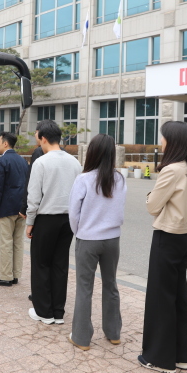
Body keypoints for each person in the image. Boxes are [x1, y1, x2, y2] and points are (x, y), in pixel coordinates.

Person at [139, 121, 187, 373]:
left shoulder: (171, 170)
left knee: (160, 299)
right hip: (184, 235)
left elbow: (153, 205)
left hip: (167, 234)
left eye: (162, 138)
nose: (160, 142)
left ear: (171, 141)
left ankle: (160, 359)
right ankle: (179, 356)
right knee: (177, 298)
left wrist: (149, 196)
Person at [67, 134, 126, 351]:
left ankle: (81, 338)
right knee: (111, 285)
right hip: (112, 239)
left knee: (85, 288)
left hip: (88, 239)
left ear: (92, 152)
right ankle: (114, 333)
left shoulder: (83, 179)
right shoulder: (119, 179)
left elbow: (73, 213)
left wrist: (80, 232)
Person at [26, 120, 82, 325]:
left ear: (43, 137)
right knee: (60, 265)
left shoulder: (41, 162)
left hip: (45, 219)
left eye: (38, 138)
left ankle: (43, 312)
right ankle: (58, 312)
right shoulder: (75, 162)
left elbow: (33, 198)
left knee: (41, 264)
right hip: (68, 221)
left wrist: (30, 222)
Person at [0, 132, 29, 287]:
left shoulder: (1, 161)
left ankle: (5, 277)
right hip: (20, 209)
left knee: (5, 242)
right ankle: (15, 275)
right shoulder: (23, 161)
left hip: (5, 208)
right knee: (18, 242)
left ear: (5, 143)